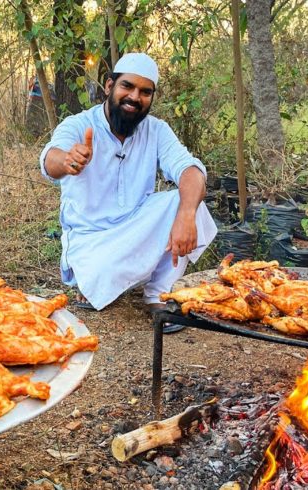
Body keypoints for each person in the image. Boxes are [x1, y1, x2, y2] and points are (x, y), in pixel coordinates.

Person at [39, 53, 217, 331]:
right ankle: (98, 283)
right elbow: (51, 159)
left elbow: (190, 170)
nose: (135, 97)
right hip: (91, 243)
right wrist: (68, 160)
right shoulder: (78, 125)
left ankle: (158, 294)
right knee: (100, 273)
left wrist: (186, 214)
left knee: (190, 203)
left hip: (135, 228)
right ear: (109, 86)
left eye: (145, 92)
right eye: (127, 87)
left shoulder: (156, 130)